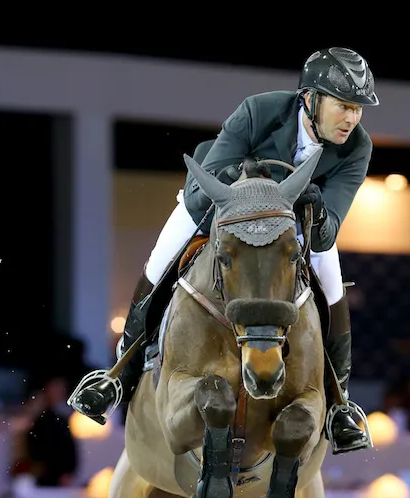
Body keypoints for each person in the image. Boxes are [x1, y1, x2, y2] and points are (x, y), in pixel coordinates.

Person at [69, 47, 379, 453]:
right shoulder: (258, 111)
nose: (352, 118)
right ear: (310, 98)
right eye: (344, 106)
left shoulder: (357, 147)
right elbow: (202, 190)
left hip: (292, 228)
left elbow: (327, 233)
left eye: (357, 108)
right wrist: (239, 179)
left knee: (334, 290)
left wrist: (318, 211)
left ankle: (339, 406)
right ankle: (118, 377)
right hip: (222, 212)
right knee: (161, 261)